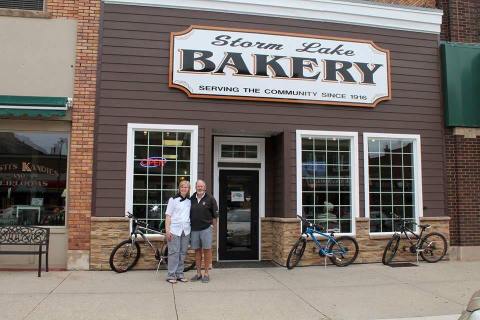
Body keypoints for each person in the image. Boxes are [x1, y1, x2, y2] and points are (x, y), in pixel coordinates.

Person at [190, 179, 218, 283]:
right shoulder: (191, 198)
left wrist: (214, 229)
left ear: (205, 187)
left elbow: (215, 216)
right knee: (197, 251)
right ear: (195, 187)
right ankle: (198, 273)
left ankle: (206, 273)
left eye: (202, 186)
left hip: (206, 228)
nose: (200, 188)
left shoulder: (210, 199)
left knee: (207, 251)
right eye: (198, 186)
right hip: (194, 229)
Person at [165, 180, 191, 284]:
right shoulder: (173, 200)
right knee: (173, 253)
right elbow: (168, 215)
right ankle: (171, 275)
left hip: (186, 230)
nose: (184, 189)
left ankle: (180, 274)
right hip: (174, 230)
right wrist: (167, 230)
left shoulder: (190, 201)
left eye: (186, 187)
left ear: (189, 189)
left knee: (182, 253)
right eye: (182, 187)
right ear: (179, 188)